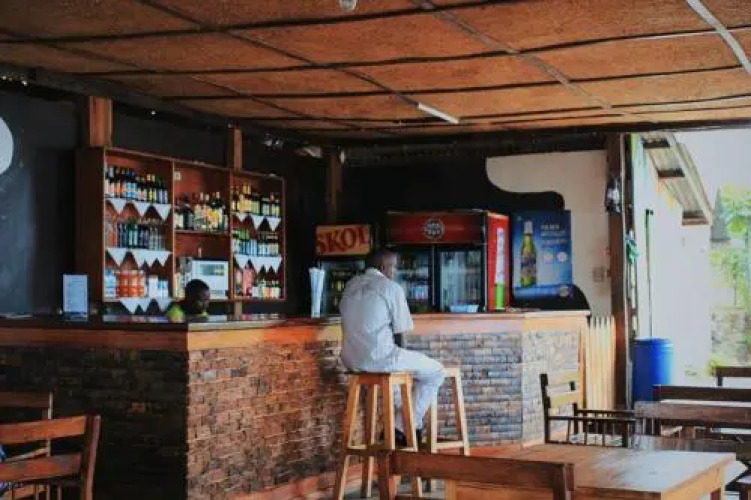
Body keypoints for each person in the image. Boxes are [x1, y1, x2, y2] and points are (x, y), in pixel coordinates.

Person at [339, 249, 445, 446]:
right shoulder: (390, 288)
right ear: (382, 267)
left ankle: (405, 429)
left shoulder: (350, 286)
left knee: (398, 381)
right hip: (380, 359)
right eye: (394, 267)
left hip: (351, 360)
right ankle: (401, 426)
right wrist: (403, 361)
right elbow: (401, 332)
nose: (395, 271)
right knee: (436, 372)